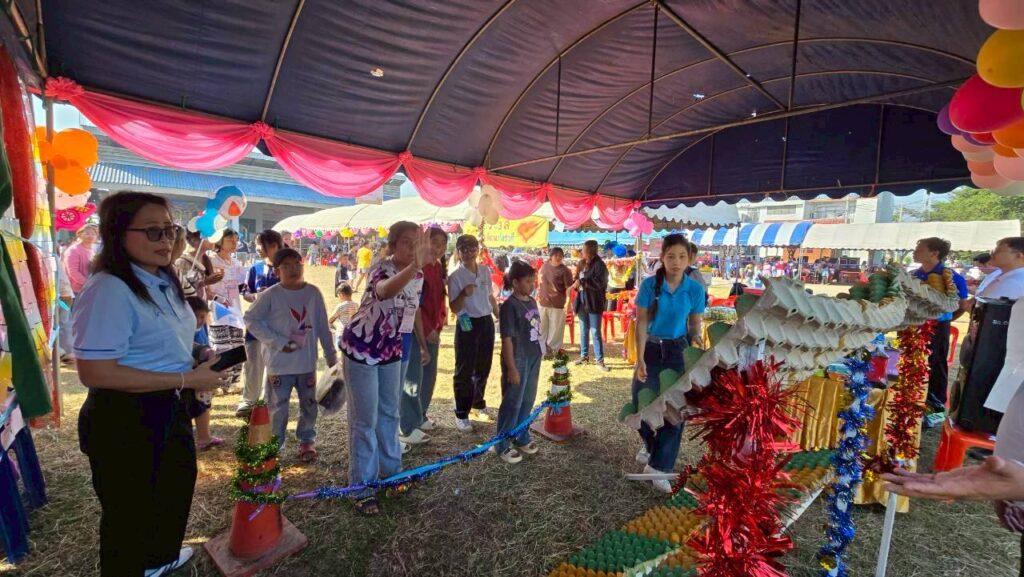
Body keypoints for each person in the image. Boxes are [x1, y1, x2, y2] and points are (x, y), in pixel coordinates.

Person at [73, 191, 228, 576]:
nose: (166, 240)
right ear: (118, 233)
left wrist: (198, 352)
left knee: (175, 487)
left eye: (170, 230)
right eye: (153, 231)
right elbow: (95, 373)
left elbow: (165, 336)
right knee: (128, 515)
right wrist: (187, 377)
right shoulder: (109, 288)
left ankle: (159, 559)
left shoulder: (163, 277)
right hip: (124, 417)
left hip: (169, 406)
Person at [341, 222, 432, 515]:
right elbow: (383, 291)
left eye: (416, 243)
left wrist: (417, 346)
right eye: (406, 242)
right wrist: (414, 266)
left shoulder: (418, 275)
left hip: (392, 350)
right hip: (362, 348)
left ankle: (391, 473)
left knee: (390, 413)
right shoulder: (381, 268)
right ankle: (362, 487)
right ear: (392, 245)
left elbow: (410, 312)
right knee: (365, 419)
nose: (412, 248)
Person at [243, 248, 337, 463]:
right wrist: (277, 342)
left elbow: (323, 326)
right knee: (277, 407)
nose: (293, 269)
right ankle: (275, 445)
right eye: (286, 266)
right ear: (277, 271)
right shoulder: (270, 295)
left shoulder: (313, 293)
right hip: (279, 364)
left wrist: (331, 357)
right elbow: (250, 319)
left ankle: (307, 439)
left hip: (306, 363)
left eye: (297, 264)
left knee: (309, 404)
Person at [631, 234, 706, 493]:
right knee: (641, 405)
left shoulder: (695, 289)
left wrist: (697, 339)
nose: (676, 262)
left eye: (682, 256)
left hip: (678, 351)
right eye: (671, 256)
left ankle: (659, 467)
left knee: (676, 410)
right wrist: (640, 358)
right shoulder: (649, 285)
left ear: (689, 259)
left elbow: (694, 324)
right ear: (662, 257)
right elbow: (641, 323)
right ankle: (651, 447)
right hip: (651, 349)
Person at [400, 227, 448, 445]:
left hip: (433, 329)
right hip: (416, 330)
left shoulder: (437, 267)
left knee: (428, 376)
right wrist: (427, 330)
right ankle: (407, 425)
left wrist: (438, 325)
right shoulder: (418, 268)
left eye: (442, 244)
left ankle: (420, 414)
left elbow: (437, 300)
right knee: (413, 377)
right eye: (434, 242)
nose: (438, 248)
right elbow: (415, 306)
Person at [449, 234, 501, 432]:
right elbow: (454, 308)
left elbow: (490, 298)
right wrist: (464, 293)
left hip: (486, 320)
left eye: (472, 249)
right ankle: (461, 412)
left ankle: (478, 403)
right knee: (465, 368)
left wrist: (499, 317)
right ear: (458, 252)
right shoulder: (455, 276)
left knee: (483, 365)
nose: (469, 253)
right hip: (466, 321)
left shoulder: (485, 271)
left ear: (477, 250)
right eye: (464, 249)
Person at [493, 261, 544, 464]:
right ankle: (502, 443)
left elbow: (536, 328)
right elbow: (506, 339)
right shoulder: (509, 306)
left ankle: (521, 435)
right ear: (515, 282)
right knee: (512, 402)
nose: (532, 284)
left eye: (533, 281)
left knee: (527, 399)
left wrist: (544, 345)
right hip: (517, 359)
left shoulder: (532, 301)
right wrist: (512, 368)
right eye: (528, 281)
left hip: (534, 356)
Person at [912, 237, 970, 413]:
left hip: (938, 326)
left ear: (934, 253)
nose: (915, 252)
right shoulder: (913, 276)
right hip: (913, 324)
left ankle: (936, 403)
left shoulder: (952, 277)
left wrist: (945, 320)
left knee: (936, 363)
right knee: (912, 361)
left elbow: (962, 305)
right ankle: (911, 398)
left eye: (920, 249)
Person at [236, 230, 283, 419]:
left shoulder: (288, 268)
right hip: (256, 325)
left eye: (259, 244)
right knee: (253, 362)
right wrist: (255, 296)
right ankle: (249, 400)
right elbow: (246, 292)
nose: (256, 248)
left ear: (273, 246)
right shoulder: (255, 268)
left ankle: (270, 401)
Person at [206, 229, 245, 386]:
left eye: (236, 240)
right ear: (219, 241)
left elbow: (240, 286)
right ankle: (221, 381)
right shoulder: (210, 261)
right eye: (230, 240)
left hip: (235, 309)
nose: (234, 243)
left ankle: (233, 382)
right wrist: (218, 299)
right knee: (222, 345)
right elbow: (206, 289)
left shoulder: (236, 262)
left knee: (237, 343)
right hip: (217, 310)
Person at [185, 296, 223, 451]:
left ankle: (204, 437)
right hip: (190, 375)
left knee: (204, 405)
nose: (201, 321)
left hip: (200, 372)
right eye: (198, 316)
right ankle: (202, 438)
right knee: (196, 406)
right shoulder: (184, 330)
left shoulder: (199, 330)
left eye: (203, 317)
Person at [572, 239, 610, 372]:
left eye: (584, 249)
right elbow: (577, 278)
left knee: (595, 331)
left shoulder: (600, 265)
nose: (581, 251)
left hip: (594, 302)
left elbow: (600, 283)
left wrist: (583, 281)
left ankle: (599, 360)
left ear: (590, 250)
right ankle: (584, 356)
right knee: (583, 330)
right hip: (582, 301)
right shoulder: (582, 263)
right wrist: (576, 282)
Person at [537, 247, 574, 358]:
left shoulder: (565, 271)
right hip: (543, 302)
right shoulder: (544, 266)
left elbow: (569, 288)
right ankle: (541, 350)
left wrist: (568, 302)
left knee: (555, 330)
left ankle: (553, 351)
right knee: (541, 328)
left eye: (560, 255)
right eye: (556, 255)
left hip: (558, 303)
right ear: (551, 256)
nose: (558, 257)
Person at [64, 223, 97, 295]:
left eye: (93, 234)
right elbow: (73, 272)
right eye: (87, 233)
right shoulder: (73, 250)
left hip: (89, 288)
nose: (90, 236)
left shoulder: (92, 250)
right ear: (80, 234)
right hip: (77, 290)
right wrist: (88, 283)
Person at [329, 282, 357, 348]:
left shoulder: (341, 306)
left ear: (341, 295)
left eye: (338, 296)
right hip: (352, 334)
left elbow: (330, 319)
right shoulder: (356, 305)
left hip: (341, 334)